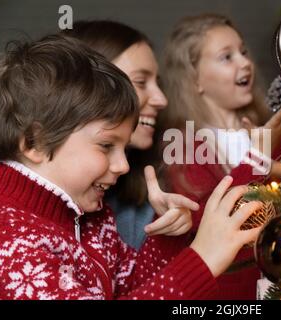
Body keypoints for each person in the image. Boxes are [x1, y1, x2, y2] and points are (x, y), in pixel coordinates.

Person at [0, 34, 262, 299]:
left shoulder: (92, 220)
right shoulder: (8, 242)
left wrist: (165, 238)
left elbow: (133, 287)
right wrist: (201, 260)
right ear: (33, 143)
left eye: (123, 148)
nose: (122, 165)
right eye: (106, 146)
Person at [145, 13, 281, 299]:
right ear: (195, 79)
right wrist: (256, 159)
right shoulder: (186, 146)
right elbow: (209, 220)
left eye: (243, 51)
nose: (245, 63)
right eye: (226, 57)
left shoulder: (271, 131)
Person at [63, 21, 196, 250]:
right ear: (86, 85)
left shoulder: (141, 190)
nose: (161, 99)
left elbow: (137, 284)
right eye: (141, 82)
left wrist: (167, 233)